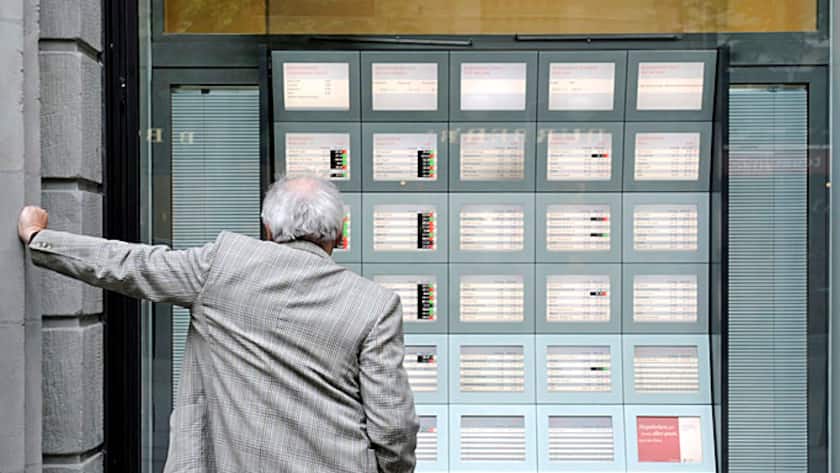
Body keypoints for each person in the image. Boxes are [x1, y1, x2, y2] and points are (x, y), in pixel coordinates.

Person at [17, 176, 419, 473]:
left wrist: (41, 238)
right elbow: (394, 430)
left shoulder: (222, 266)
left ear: (267, 227)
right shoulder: (375, 305)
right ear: (340, 235)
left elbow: (130, 265)